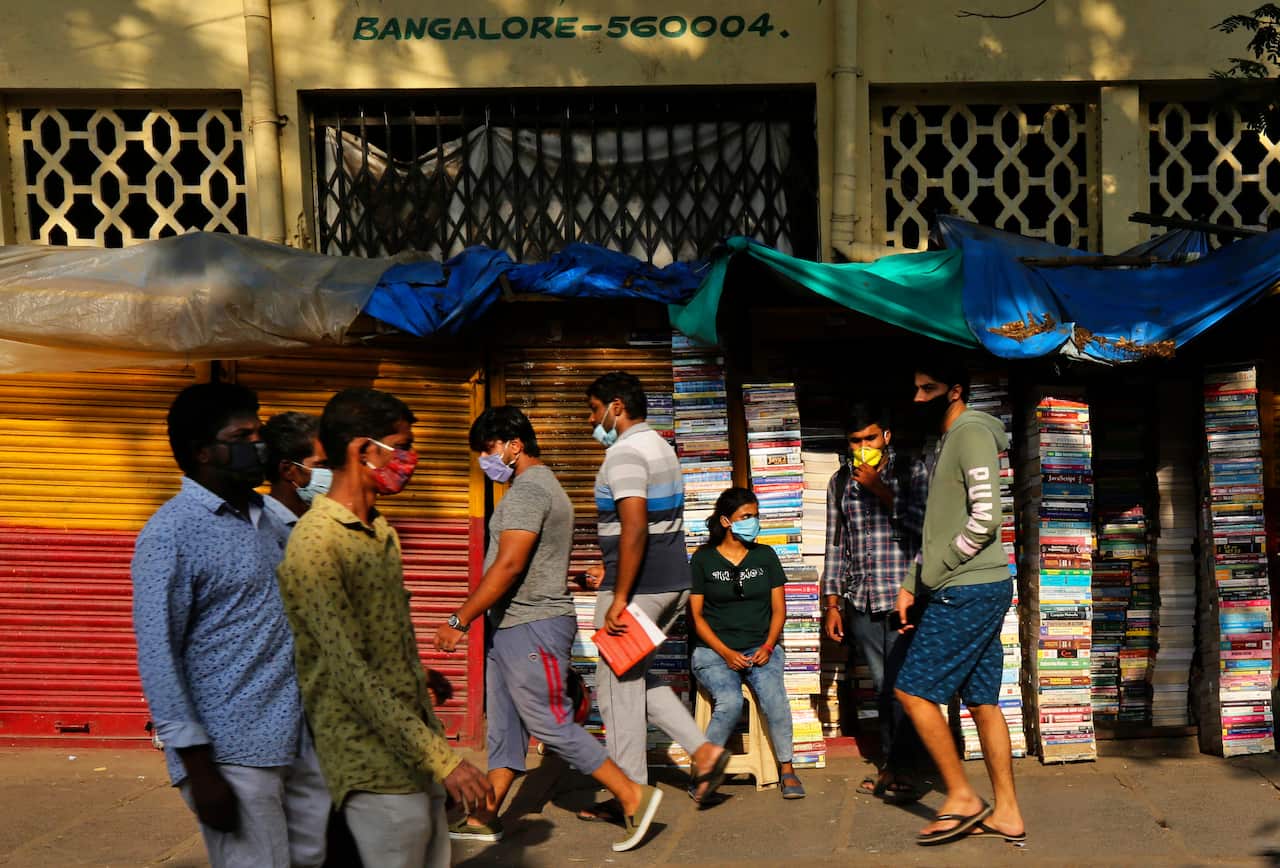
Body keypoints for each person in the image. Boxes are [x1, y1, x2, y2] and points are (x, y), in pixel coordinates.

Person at [276, 387, 492, 868]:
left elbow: (396, 658)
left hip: (414, 765)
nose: (410, 459)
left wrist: (434, 749)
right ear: (362, 450)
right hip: (369, 767)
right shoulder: (317, 542)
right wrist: (446, 762)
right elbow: (350, 674)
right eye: (402, 445)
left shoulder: (381, 531)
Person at [436, 405, 663, 853]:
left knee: (550, 721)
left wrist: (460, 618)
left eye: (488, 449)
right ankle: (485, 815)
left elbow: (510, 563)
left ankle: (633, 793)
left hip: (532, 624)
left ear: (513, 445)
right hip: (513, 626)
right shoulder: (532, 488)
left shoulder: (530, 490)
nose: (485, 461)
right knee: (505, 726)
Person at [131, 383, 329, 868]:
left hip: (297, 739)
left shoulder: (270, 521)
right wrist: (198, 768)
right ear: (203, 452)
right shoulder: (170, 534)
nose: (259, 445)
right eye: (243, 436)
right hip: (230, 751)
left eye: (259, 433)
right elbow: (159, 653)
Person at [582, 371, 730, 818]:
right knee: (634, 677)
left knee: (615, 693)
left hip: (639, 588)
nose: (593, 420)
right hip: (670, 581)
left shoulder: (624, 453)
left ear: (617, 408)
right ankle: (702, 751)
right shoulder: (661, 447)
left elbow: (634, 526)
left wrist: (621, 593)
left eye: (594, 410)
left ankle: (631, 796)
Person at [894, 357, 1026, 847]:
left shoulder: (970, 432)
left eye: (928, 389)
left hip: (969, 587)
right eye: (915, 388)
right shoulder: (947, 439)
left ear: (956, 391)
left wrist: (932, 573)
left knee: (912, 690)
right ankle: (1008, 812)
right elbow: (942, 527)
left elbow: (984, 520)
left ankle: (961, 796)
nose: (918, 399)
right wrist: (913, 582)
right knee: (983, 702)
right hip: (970, 584)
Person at [821, 404, 928, 802]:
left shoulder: (912, 472)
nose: (863, 446)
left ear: (886, 436)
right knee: (884, 685)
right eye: (855, 440)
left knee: (902, 685)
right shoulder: (838, 482)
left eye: (870, 438)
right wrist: (832, 602)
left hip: (904, 598)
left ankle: (901, 767)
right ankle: (893, 765)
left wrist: (882, 492)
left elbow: (926, 528)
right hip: (861, 598)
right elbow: (836, 544)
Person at [689, 487, 804, 800]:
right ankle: (704, 774)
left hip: (760, 648)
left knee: (775, 700)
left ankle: (787, 770)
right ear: (726, 521)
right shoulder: (703, 559)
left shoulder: (765, 556)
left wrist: (768, 646)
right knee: (729, 702)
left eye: (755, 516)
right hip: (714, 652)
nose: (753, 522)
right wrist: (725, 653)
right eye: (746, 517)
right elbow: (697, 617)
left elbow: (779, 609)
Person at [261, 411, 330, 528]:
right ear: (288, 470)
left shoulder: (322, 522)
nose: (334, 474)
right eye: (322, 465)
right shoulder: (263, 526)